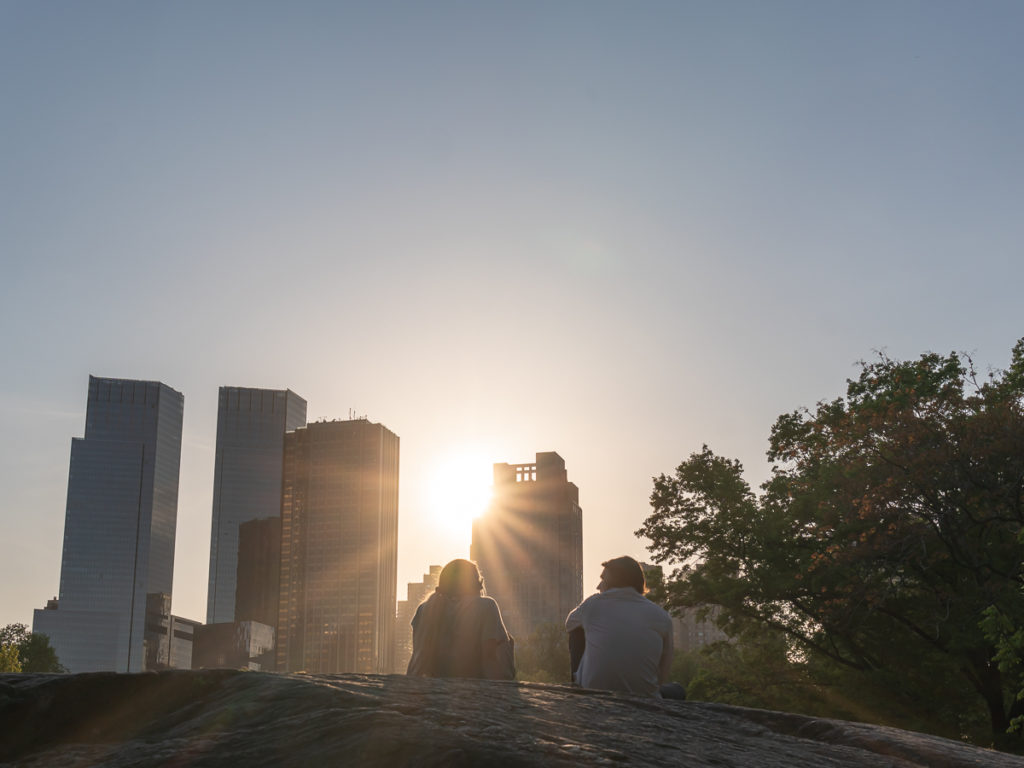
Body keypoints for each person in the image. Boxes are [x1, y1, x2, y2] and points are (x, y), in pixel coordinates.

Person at [565, 556, 674, 697]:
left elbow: (569, 624)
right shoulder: (662, 616)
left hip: (594, 693)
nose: (598, 586)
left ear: (613, 581)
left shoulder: (592, 605)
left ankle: (578, 687)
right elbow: (664, 668)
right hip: (646, 697)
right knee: (676, 690)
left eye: (603, 579)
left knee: (577, 630)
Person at [407, 558, 515, 680]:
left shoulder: (424, 610)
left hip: (435, 692)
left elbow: (418, 659)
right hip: (474, 694)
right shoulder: (486, 607)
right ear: (476, 584)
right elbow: (490, 659)